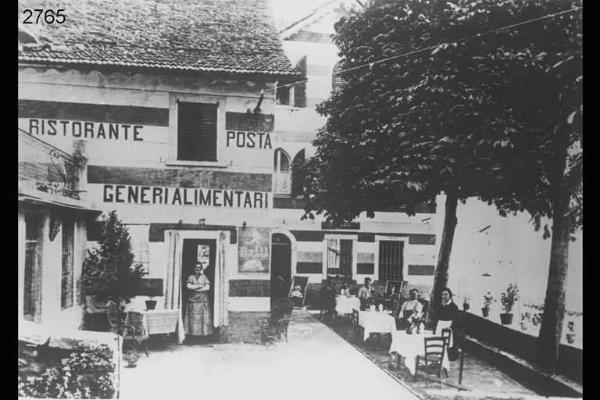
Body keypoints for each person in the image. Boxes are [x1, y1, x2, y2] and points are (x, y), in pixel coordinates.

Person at [184, 262, 213, 339]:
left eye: (199, 267)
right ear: (194, 268)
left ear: (201, 269)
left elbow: (207, 287)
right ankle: (193, 337)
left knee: (202, 318)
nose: (197, 269)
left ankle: (202, 337)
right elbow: (188, 286)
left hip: (202, 301)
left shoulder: (205, 277)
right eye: (196, 267)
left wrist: (195, 289)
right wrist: (200, 286)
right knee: (193, 319)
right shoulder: (191, 277)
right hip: (193, 301)